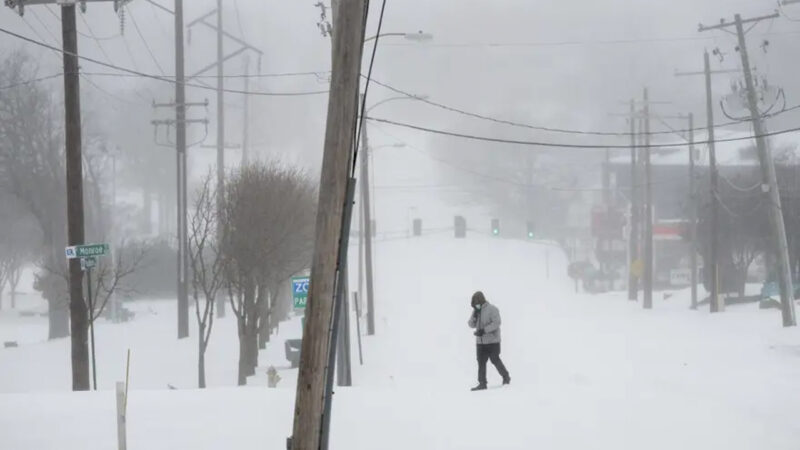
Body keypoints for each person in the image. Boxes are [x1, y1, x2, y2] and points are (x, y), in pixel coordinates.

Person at [468, 291, 510, 391]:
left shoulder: (492, 309)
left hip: (493, 342)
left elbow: (497, 323)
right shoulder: (476, 311)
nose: (476, 306)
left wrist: (484, 330)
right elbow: (470, 325)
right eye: (474, 305)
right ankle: (482, 383)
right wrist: (474, 316)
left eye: (477, 304)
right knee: (481, 362)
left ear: (482, 301)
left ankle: (506, 377)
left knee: (494, 359)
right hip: (480, 342)